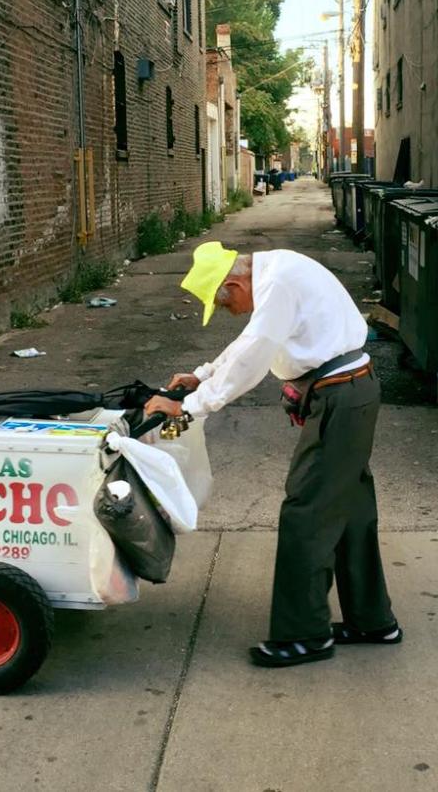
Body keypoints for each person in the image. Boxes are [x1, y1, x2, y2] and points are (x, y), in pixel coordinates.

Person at [144, 241, 401, 668]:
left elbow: (254, 354)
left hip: (340, 397)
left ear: (234, 282)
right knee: (351, 510)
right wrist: (203, 375)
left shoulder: (277, 283)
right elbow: (250, 341)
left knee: (307, 510)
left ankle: (305, 635)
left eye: (226, 304)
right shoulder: (274, 271)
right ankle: (373, 622)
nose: (232, 311)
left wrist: (189, 406)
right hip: (349, 391)